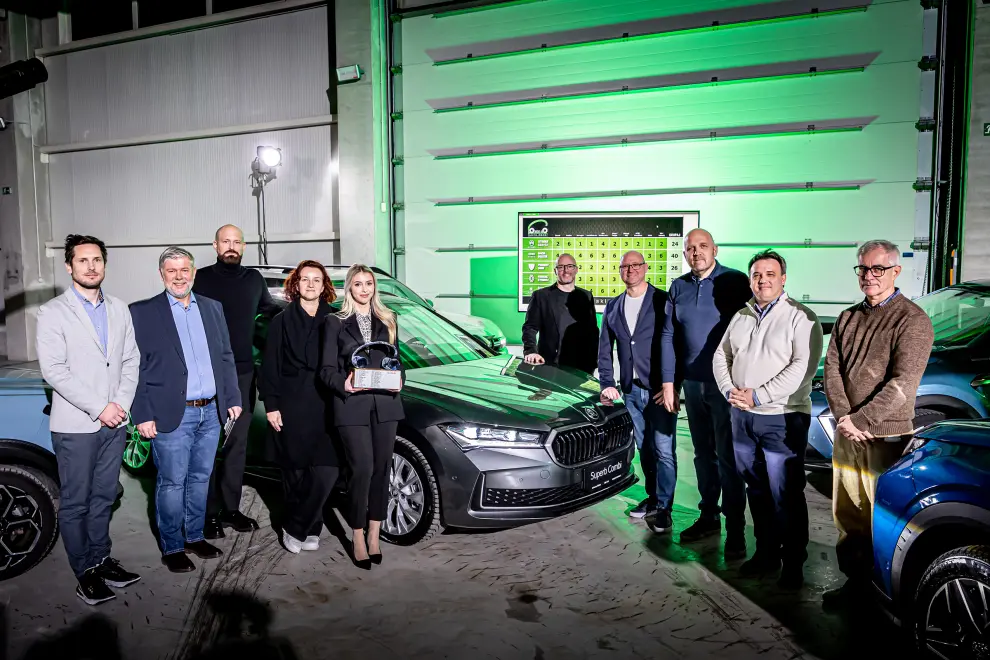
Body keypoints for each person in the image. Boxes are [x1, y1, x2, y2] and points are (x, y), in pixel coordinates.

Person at [822, 239, 933, 609]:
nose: (869, 276)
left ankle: (885, 594)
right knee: (849, 515)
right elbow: (831, 369)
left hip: (885, 438)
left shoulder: (912, 320)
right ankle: (856, 585)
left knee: (881, 520)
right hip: (848, 434)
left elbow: (903, 384)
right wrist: (844, 419)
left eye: (878, 269)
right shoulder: (848, 317)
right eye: (863, 269)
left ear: (895, 271)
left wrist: (863, 420)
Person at [35, 235, 142, 605]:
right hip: (77, 426)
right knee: (77, 502)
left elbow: (130, 361)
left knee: (104, 497)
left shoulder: (119, 308)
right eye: (83, 260)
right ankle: (85, 572)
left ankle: (100, 558)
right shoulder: (52, 313)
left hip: (116, 422)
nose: (91, 266)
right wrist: (100, 407)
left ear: (105, 264)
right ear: (69, 266)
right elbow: (55, 371)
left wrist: (122, 405)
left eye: (97, 259)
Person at [713, 250, 823, 588]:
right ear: (751, 279)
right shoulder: (742, 315)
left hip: (782, 419)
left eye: (770, 274)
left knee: (785, 493)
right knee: (756, 489)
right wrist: (730, 390)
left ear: (783, 278)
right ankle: (766, 552)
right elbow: (722, 354)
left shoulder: (801, 318)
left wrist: (758, 395)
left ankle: (793, 561)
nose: (763, 280)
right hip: (743, 417)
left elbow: (801, 369)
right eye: (757, 274)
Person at [130, 247, 242, 573]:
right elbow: (132, 367)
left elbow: (225, 356)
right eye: (171, 271)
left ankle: (194, 536)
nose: (179, 276)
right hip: (170, 414)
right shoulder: (143, 312)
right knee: (172, 482)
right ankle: (172, 546)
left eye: (184, 270)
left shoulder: (212, 308)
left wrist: (232, 397)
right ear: (162, 274)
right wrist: (142, 414)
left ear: (193, 272)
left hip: (211, 411)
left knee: (200, 477)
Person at [660, 228, 751, 558]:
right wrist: (670, 383)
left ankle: (737, 529)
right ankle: (709, 516)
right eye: (690, 248)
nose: (696, 252)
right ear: (684, 254)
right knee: (702, 455)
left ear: (715, 249)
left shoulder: (735, 281)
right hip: (693, 385)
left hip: (726, 386)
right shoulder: (679, 287)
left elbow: (754, 328)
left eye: (702, 246)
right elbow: (669, 335)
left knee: (729, 458)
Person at [193, 224, 280, 538]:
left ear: (244, 246)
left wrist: (310, 311)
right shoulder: (199, 278)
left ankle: (230, 510)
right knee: (208, 447)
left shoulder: (253, 279)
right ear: (215, 245)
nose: (231, 246)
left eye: (237, 242)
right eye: (225, 241)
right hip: (207, 377)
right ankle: (207, 515)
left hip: (242, 375)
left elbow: (271, 311)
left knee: (236, 446)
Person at [319, 265, 404, 569]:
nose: (364, 289)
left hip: (386, 405)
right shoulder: (335, 323)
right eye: (358, 284)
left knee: (382, 470)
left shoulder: (388, 319)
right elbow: (326, 370)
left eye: (369, 283)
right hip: (351, 406)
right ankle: (356, 535)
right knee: (363, 469)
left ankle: (374, 535)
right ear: (349, 288)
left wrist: (400, 379)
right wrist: (342, 383)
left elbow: (397, 361)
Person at [259, 261, 339, 554]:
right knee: (295, 473)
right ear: (296, 284)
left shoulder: (336, 318)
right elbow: (270, 366)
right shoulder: (281, 320)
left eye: (316, 280)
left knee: (327, 470)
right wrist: (271, 404)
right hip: (291, 402)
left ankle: (296, 526)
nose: (310, 284)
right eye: (305, 279)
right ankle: (309, 529)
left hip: (328, 402)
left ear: (324, 285)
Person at [598, 250, 677, 533]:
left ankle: (665, 509)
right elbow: (605, 348)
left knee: (664, 450)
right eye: (624, 266)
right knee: (644, 449)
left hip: (658, 390)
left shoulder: (661, 300)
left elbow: (674, 343)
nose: (630, 270)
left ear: (645, 268)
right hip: (630, 392)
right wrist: (606, 382)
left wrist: (672, 385)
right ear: (620, 271)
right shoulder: (614, 306)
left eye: (635, 265)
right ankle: (654, 498)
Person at [522, 253, 599, 373]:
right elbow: (530, 328)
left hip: (581, 369)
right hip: (549, 366)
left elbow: (592, 331)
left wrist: (593, 363)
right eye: (561, 267)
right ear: (555, 271)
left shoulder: (586, 296)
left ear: (576, 269)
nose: (565, 271)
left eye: (569, 266)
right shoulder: (541, 296)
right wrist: (531, 351)